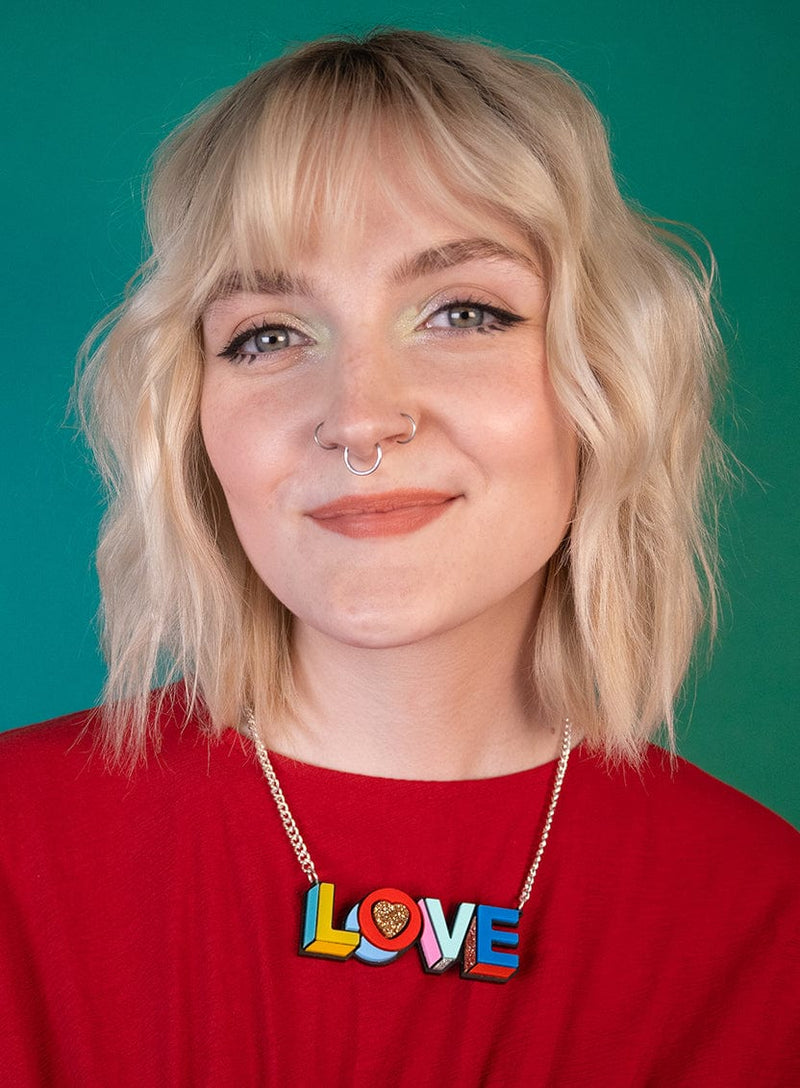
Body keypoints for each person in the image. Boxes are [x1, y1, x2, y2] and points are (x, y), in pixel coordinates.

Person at [1, 29, 797, 1087]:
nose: (359, 417)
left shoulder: (762, 914)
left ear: (603, 380)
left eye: (463, 312)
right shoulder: (19, 850)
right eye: (268, 333)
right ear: (191, 417)